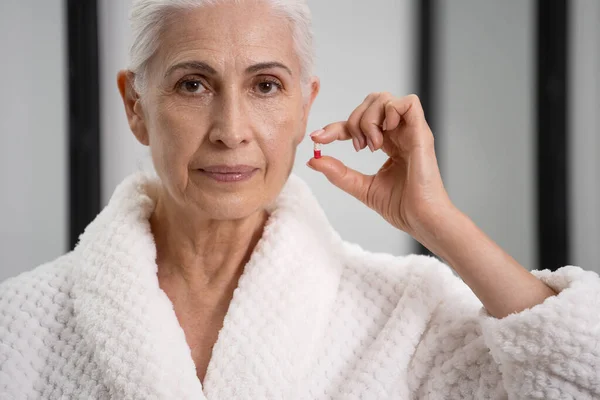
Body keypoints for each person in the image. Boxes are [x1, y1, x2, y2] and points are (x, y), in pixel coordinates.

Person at [1, 0, 599, 398]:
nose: (231, 129)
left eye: (265, 86)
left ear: (304, 106)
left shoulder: (403, 313)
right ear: (135, 105)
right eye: (193, 84)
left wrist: (438, 221)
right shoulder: (23, 322)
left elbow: (578, 377)